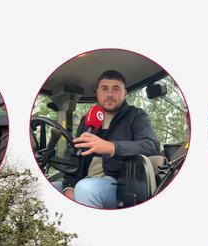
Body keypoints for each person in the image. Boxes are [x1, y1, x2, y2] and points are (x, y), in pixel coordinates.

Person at [61, 69, 161, 208]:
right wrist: (69, 187)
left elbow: (151, 146)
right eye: (104, 89)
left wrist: (111, 147)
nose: (109, 94)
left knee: (85, 189)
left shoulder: (136, 115)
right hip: (84, 179)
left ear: (125, 93)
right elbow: (74, 157)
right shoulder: (87, 120)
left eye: (115, 89)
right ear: (97, 92)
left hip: (120, 183)